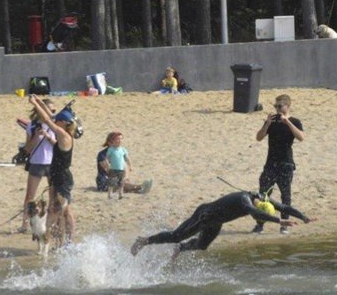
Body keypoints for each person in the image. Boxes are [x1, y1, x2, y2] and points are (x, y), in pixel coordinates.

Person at [131, 191, 316, 258]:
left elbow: (283, 207)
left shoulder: (262, 198)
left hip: (217, 223)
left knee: (202, 246)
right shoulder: (245, 200)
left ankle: (181, 249)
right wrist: (278, 221)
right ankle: (144, 241)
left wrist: (304, 217)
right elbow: (253, 212)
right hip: (205, 215)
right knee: (176, 235)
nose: (258, 206)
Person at [253, 94, 305, 234]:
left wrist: (287, 122)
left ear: (287, 106)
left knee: (285, 196)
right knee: (263, 195)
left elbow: (301, 137)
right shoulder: (272, 121)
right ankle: (260, 224)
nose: (277, 109)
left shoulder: (295, 121)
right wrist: (267, 123)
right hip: (270, 164)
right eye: (275, 106)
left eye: (279, 106)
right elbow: (258, 137)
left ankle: (284, 226)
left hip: (286, 164)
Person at [29, 95, 75, 246]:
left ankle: (46, 234)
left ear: (64, 123)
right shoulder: (62, 131)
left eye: (58, 120)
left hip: (63, 178)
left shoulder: (64, 135)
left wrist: (35, 104)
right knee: (64, 211)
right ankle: (61, 241)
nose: (56, 121)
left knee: (58, 210)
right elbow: (52, 117)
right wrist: (41, 102)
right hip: (56, 176)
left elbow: (48, 120)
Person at [20, 98, 56, 232]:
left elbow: (59, 145)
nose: (51, 112)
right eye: (49, 109)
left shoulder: (55, 124)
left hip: (52, 162)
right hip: (37, 162)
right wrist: (36, 136)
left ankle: (51, 223)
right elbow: (28, 149)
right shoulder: (32, 125)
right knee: (30, 196)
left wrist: (48, 136)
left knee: (53, 196)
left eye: (53, 110)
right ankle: (24, 223)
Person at [103, 131, 131, 200]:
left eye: (121, 139)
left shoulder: (123, 149)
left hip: (121, 169)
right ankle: (110, 195)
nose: (119, 140)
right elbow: (106, 158)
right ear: (113, 140)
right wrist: (108, 165)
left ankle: (121, 195)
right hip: (113, 169)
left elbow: (127, 158)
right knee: (111, 183)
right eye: (118, 139)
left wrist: (130, 165)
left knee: (121, 183)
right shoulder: (111, 149)